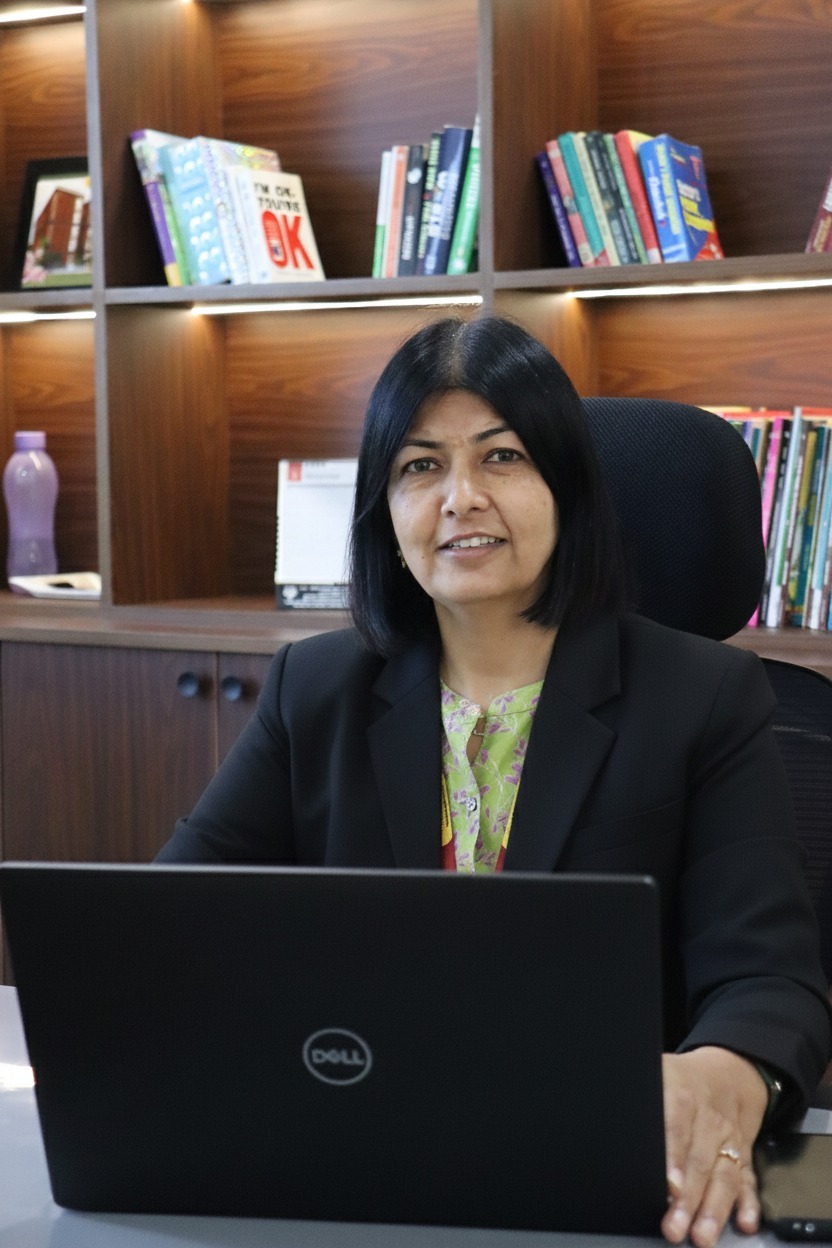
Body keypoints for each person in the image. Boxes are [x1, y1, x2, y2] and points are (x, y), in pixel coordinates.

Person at [156, 316, 832, 1248]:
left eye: (502, 457)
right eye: (420, 466)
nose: (460, 498)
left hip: (610, 1175)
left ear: (567, 486)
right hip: (366, 1154)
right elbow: (170, 923)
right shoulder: (315, 688)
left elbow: (769, 975)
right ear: (385, 511)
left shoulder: (702, 695)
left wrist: (725, 1072)